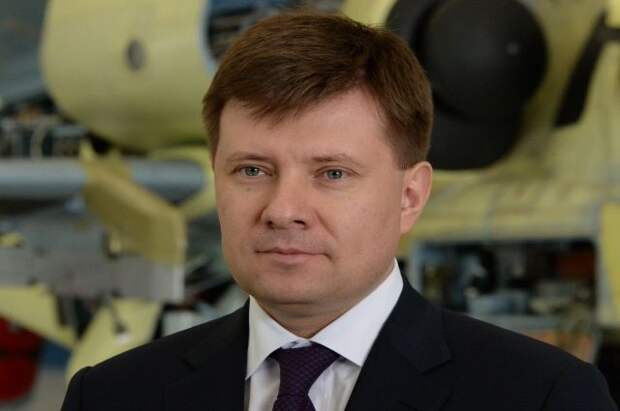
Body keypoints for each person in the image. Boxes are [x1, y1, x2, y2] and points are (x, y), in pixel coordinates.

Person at [61, 11, 617, 411]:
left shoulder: (543, 397)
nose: (283, 211)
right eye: (251, 170)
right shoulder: (110, 397)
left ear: (410, 196)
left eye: (332, 174)